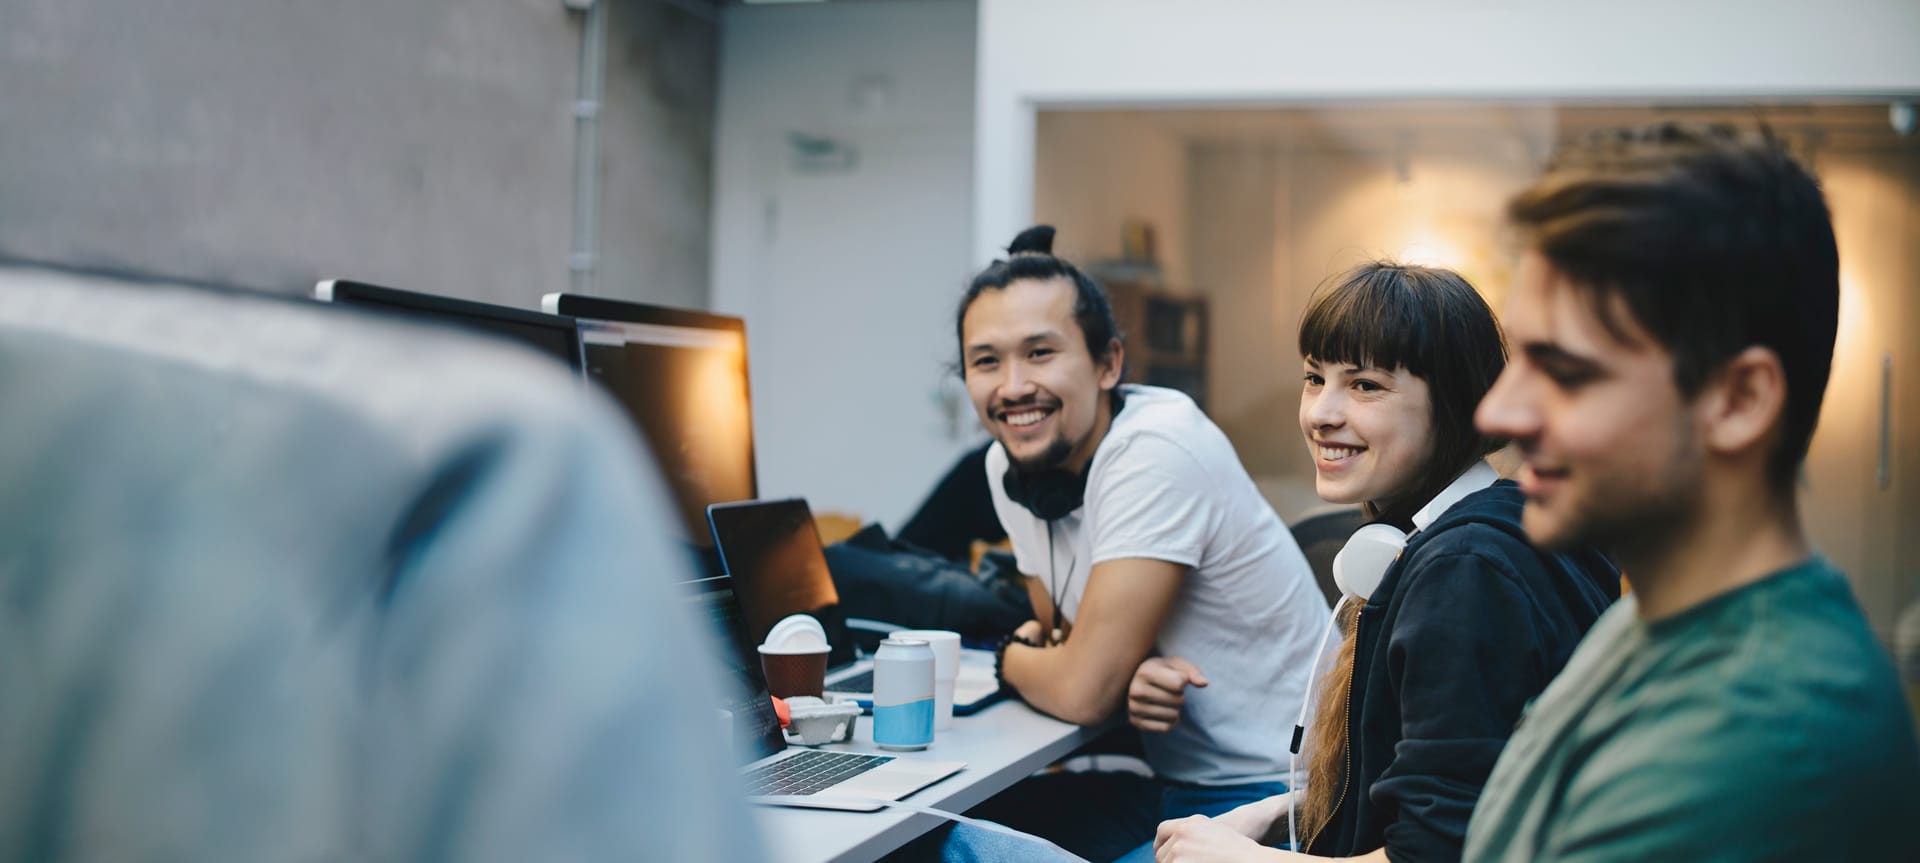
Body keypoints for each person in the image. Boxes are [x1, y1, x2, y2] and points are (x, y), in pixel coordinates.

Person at [1460, 123, 1920, 860]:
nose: (1499, 414)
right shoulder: (1654, 611)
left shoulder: (1759, 734)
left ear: (1738, 400)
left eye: (1566, 371)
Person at [1147, 263, 1619, 863]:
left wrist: (1241, 858)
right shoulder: (1503, 528)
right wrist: (1277, 811)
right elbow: (1462, 783)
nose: (1321, 412)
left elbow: (1434, 854)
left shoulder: (1464, 573)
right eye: (1315, 379)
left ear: (1458, 404)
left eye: (1365, 385)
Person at [953, 226, 1331, 861]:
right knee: (939, 832)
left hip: (1279, 798)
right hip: (1175, 786)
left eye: (1040, 353)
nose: (1012, 386)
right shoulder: (1010, 466)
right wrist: (1096, 663)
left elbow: (1077, 685)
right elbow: (1066, 642)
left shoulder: (1155, 448)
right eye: (986, 361)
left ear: (1108, 364)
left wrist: (1006, 658)